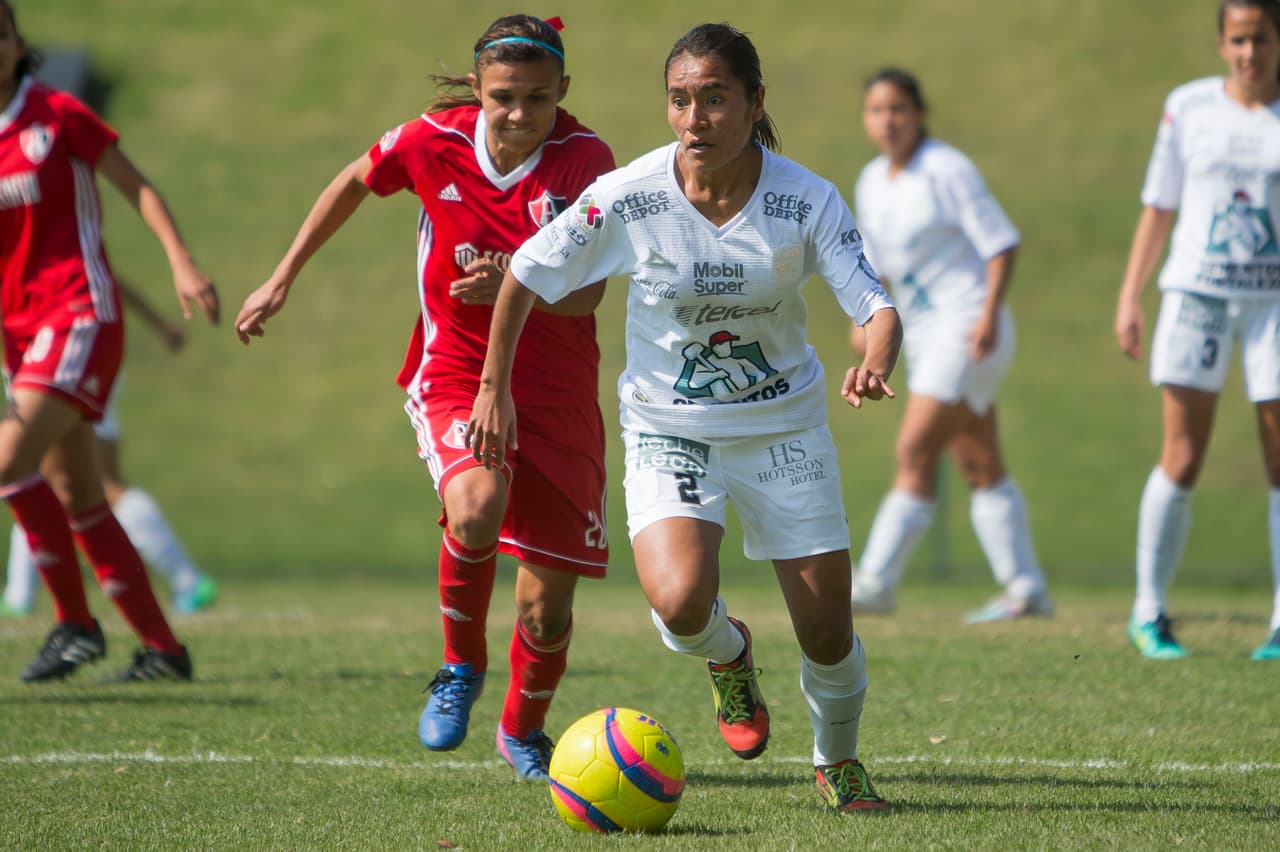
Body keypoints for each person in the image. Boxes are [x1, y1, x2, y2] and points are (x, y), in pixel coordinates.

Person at [469, 23, 902, 812]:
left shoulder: (804, 199)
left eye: (714, 99)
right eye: (679, 100)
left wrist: (876, 356)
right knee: (678, 601)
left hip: (784, 429)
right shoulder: (632, 195)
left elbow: (874, 303)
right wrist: (492, 387)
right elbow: (528, 273)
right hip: (668, 426)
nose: (695, 118)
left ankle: (837, 762)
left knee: (828, 635)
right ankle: (728, 659)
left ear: (753, 102)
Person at [234, 15, 615, 778]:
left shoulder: (585, 161)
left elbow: (591, 294)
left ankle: (522, 730)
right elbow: (351, 180)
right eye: (503, 96)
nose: (518, 114)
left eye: (537, 98)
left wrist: (516, 277)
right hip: (455, 373)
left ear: (562, 92)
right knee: (475, 505)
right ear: (475, 90)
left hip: (559, 397)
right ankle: (459, 667)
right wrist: (282, 276)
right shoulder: (429, 140)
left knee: (548, 608)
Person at [0, 0, 219, 682]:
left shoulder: (56, 114)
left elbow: (136, 186)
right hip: (19, 333)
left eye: (0, 32)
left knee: (8, 464)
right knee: (79, 494)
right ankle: (163, 649)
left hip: (77, 314)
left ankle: (73, 624)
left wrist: (181, 260)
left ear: (16, 42)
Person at [847, 69, 1053, 623]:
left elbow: (1000, 243)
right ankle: (1027, 590)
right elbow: (876, 268)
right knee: (979, 461)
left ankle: (875, 582)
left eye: (898, 109)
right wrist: (865, 321)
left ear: (919, 113)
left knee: (914, 448)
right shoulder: (871, 181)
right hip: (927, 335)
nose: (887, 120)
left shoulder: (946, 168)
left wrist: (987, 314)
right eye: (876, 110)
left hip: (968, 330)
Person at [1115, 0, 1280, 661]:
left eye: (1262, 38)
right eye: (1238, 39)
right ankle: (1148, 612)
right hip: (1197, 295)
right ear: (1221, 43)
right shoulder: (1188, 106)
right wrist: (1130, 295)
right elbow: (1160, 205)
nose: (1250, 52)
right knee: (1183, 457)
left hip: (1272, 303)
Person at [2, 280, 218, 617]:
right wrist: (160, 325)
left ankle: (187, 579)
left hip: (65, 348)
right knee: (42, 474)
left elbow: (96, 274)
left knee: (94, 482)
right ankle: (18, 595)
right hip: (61, 346)